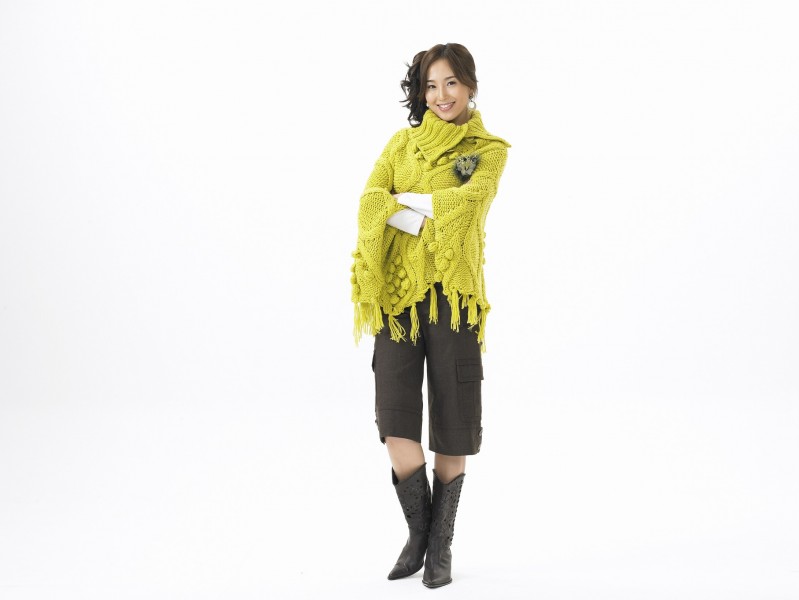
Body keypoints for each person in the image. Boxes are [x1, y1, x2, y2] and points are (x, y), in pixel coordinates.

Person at [350, 42, 511, 588]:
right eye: (431, 85)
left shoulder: (486, 150)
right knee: (395, 417)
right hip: (398, 298)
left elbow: (468, 206)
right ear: (421, 92)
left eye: (451, 83)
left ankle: (441, 547)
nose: (441, 95)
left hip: (454, 296)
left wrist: (403, 203)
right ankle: (418, 534)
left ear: (470, 85)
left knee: (454, 421)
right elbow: (370, 202)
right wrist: (424, 212)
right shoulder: (401, 143)